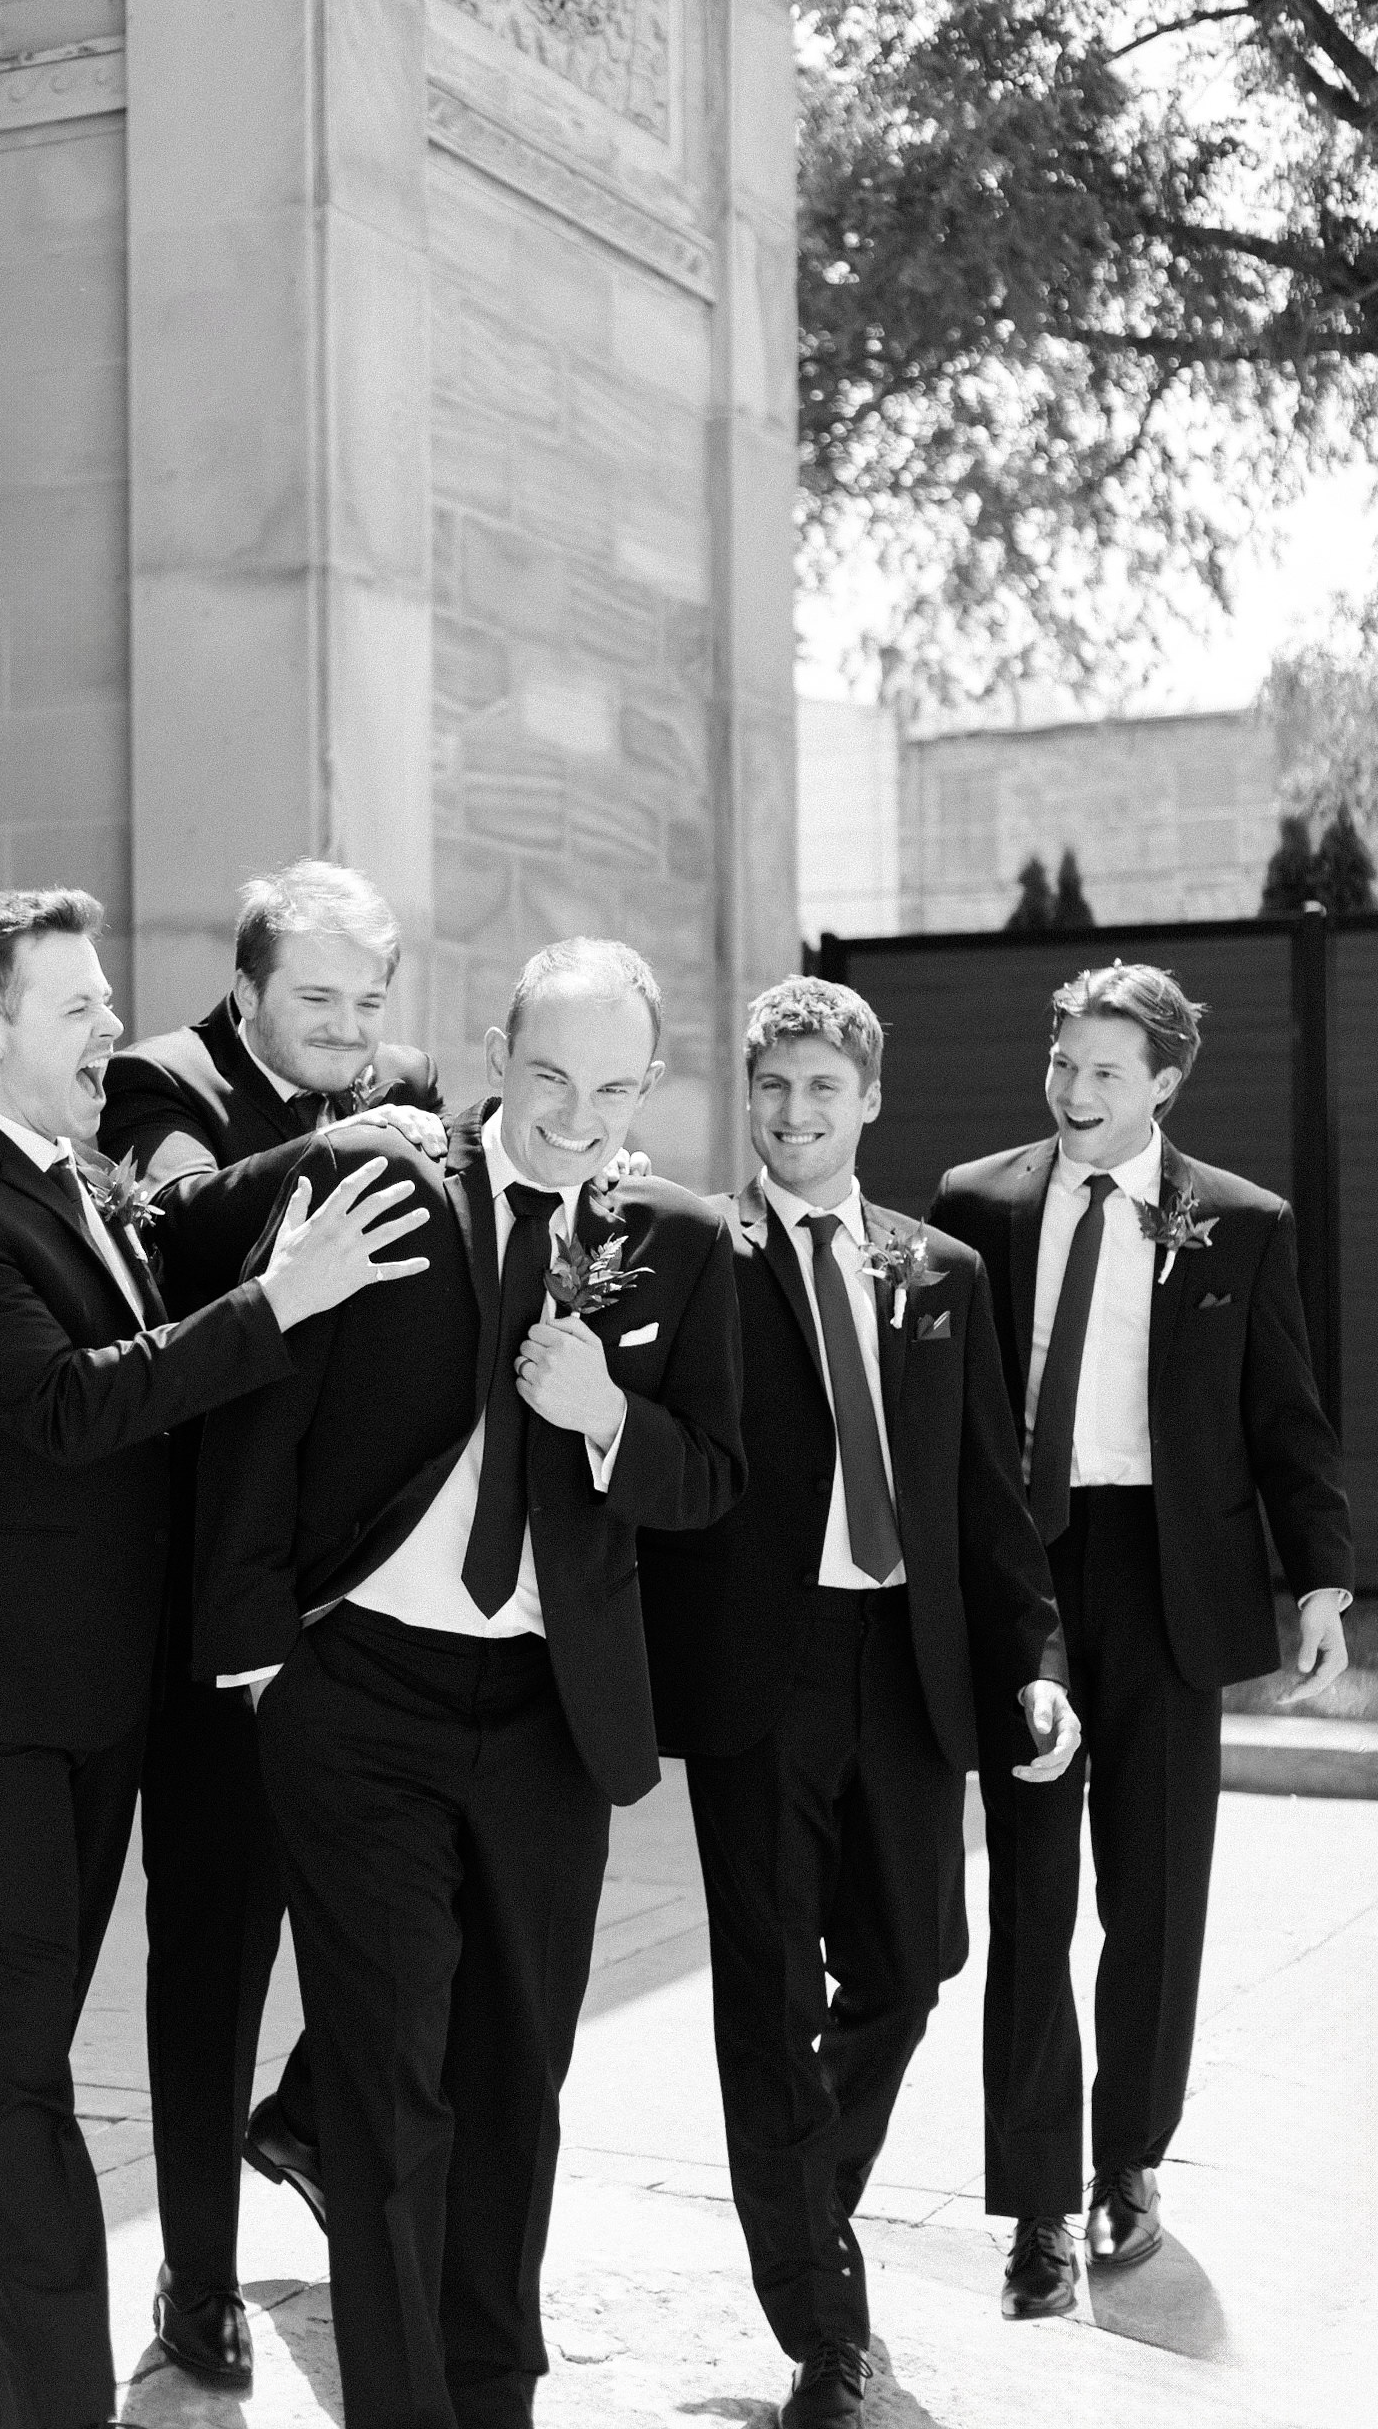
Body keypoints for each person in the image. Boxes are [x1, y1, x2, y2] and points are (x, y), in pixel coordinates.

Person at [0, 889, 429, 2429]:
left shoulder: (67, 1168)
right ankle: (61, 2404)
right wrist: (281, 1304)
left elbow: (179, 1222)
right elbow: (70, 1405)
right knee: (18, 2070)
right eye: (79, 1005)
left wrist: (361, 1145)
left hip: (88, 1695)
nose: (114, 1023)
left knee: (0, 2040)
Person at [192, 936, 747, 2429]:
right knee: (385, 2094)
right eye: (551, 1078)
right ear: (497, 1058)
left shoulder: (681, 1240)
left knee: (515, 2087)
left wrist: (610, 1416)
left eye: (615, 1091)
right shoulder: (374, 1181)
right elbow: (260, 1417)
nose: (579, 1119)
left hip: (554, 1720)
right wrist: (262, 1659)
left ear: (649, 1087)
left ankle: (492, 2395)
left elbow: (714, 1478)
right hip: (357, 1698)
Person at [639, 977, 1081, 2428]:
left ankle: (799, 2200)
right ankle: (829, 2337)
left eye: (823, 1087)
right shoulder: (698, 1253)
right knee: (771, 2000)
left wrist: (1037, 1664)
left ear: (871, 1101)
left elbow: (987, 1498)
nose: (795, 1112)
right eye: (774, 1086)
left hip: (908, 1666)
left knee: (908, 1968)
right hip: (756, 1675)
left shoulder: (941, 1272)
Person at [929, 962, 1352, 2320]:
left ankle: (1128, 2166)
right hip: (1027, 1575)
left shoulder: (1241, 1223)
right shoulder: (975, 1203)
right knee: (1032, 1896)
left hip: (1172, 1581)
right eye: (1064, 1062)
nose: (1074, 1090)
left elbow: (1286, 1413)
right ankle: (1034, 2207)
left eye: (1107, 1072)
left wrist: (1321, 1583)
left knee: (1155, 1899)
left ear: (1164, 1085)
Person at [98, 860, 444, 2386]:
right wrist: (347, 1150)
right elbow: (178, 1235)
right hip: (219, 1605)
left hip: (374, 1602)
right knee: (217, 1952)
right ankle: (197, 2277)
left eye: (370, 1002)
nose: (353, 1033)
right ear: (246, 991)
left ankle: (302, 2122)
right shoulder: (160, 1084)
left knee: (418, 1926)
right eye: (318, 1000)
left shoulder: (408, 1087)